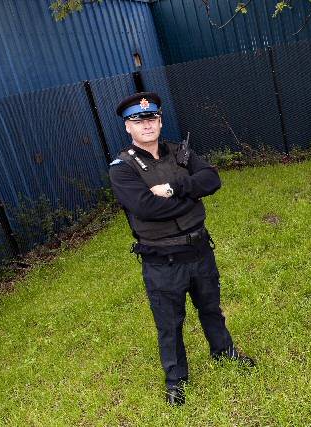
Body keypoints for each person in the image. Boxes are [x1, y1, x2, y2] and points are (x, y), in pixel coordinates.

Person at [109, 92, 255, 406]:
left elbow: (211, 179)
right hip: (163, 261)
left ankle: (224, 353)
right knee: (169, 324)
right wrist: (192, 197)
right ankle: (176, 381)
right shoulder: (122, 168)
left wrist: (176, 188)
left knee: (211, 308)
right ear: (127, 128)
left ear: (160, 121)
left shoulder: (180, 152)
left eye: (151, 119)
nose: (146, 125)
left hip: (200, 251)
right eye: (138, 120)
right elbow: (146, 208)